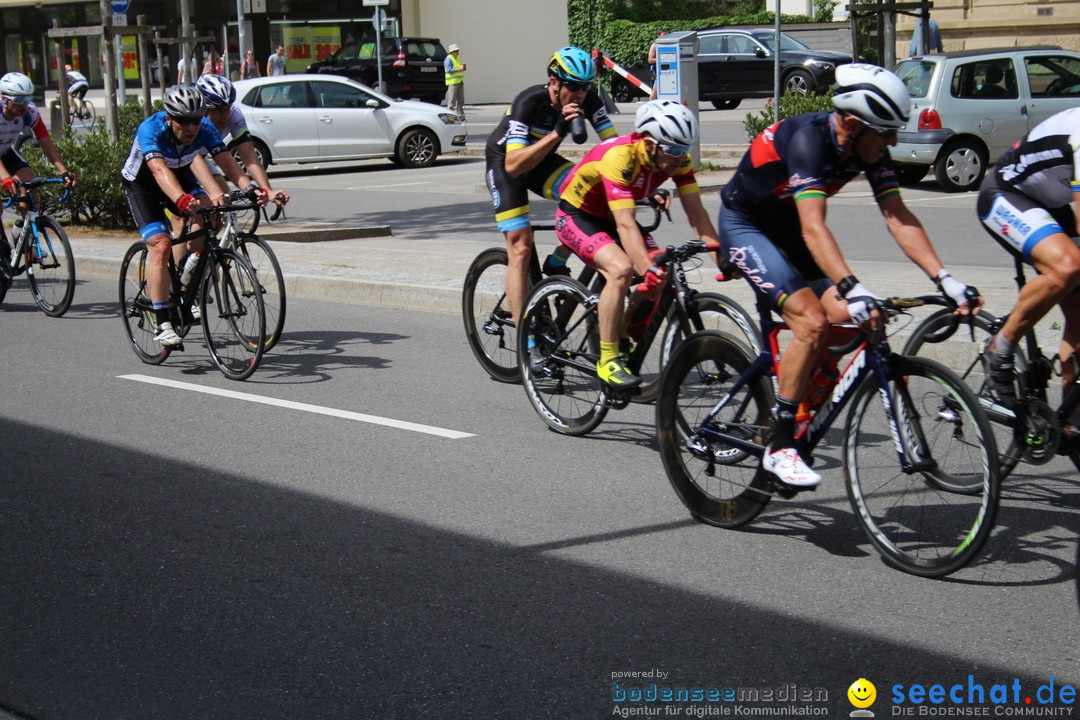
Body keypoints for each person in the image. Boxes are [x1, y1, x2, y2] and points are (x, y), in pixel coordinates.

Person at [716, 63, 980, 488]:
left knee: (848, 321)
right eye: (887, 131)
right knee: (811, 321)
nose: (894, 140)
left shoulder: (867, 148)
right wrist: (853, 286)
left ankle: (802, 390)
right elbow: (813, 227)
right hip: (747, 226)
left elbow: (898, 217)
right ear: (854, 124)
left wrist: (944, 278)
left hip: (792, 234)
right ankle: (780, 445)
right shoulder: (808, 141)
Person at [555, 100, 719, 388]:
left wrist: (720, 255)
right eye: (674, 150)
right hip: (578, 214)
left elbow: (697, 213)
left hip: (612, 214)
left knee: (660, 272)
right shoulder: (621, 157)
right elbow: (626, 225)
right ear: (648, 143)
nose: (681, 158)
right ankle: (608, 360)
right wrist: (644, 267)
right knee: (621, 270)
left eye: (686, 149)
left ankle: (623, 329)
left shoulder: (678, 161)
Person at [484, 46, 617, 335]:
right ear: (554, 82)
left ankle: (557, 260)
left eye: (585, 86)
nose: (580, 93)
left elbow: (615, 147)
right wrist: (558, 132)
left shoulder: (588, 101)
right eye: (573, 86)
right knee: (520, 248)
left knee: (597, 195)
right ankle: (525, 342)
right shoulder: (529, 101)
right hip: (507, 164)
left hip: (543, 162)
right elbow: (514, 165)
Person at [120, 85, 267, 347]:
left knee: (212, 214)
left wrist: (249, 188)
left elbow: (226, 162)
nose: (191, 128)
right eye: (183, 121)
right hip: (143, 185)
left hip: (179, 177)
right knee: (161, 245)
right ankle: (163, 322)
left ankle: (187, 273)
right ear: (169, 118)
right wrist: (181, 199)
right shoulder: (151, 129)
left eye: (196, 120)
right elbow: (157, 170)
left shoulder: (206, 130)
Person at [976, 106, 1080, 417]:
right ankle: (1001, 347)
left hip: (1051, 203)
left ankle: (1069, 423)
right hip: (1005, 194)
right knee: (1068, 266)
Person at [0, 72, 78, 219]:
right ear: (4, 99)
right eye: (19, 99)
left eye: (27, 98)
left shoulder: (30, 112)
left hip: (4, 151)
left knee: (31, 184)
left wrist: (64, 172)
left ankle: (25, 227)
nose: (24, 103)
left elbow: (46, 143)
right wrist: (5, 178)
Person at [443, 43, 466, 119]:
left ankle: (461, 117)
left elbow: (459, 68)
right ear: (452, 51)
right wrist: (460, 69)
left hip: (459, 81)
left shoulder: (457, 58)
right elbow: (449, 70)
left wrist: (463, 68)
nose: (458, 52)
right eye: (456, 50)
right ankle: (449, 117)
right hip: (453, 82)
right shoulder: (448, 59)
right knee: (452, 101)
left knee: (461, 100)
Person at [647, 29, 668, 100]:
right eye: (663, 35)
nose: (665, 37)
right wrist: (661, 59)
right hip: (657, 70)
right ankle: (651, 104)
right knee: (656, 88)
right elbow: (650, 60)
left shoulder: (667, 44)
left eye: (666, 35)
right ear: (658, 35)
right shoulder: (654, 45)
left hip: (667, 69)